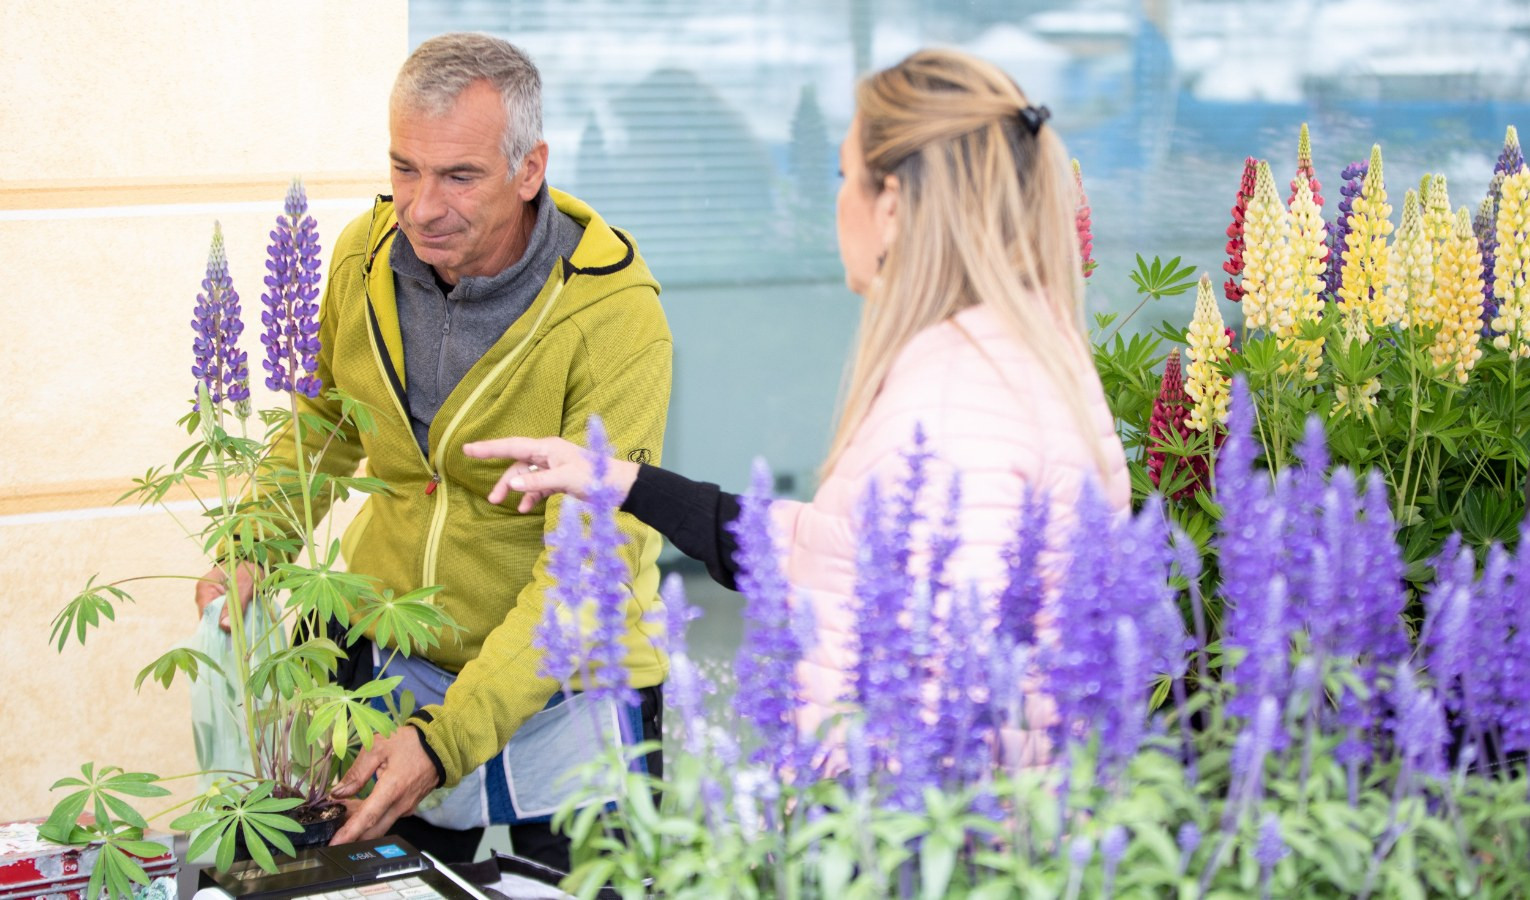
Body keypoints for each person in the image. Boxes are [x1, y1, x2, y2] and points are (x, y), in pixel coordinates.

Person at [465, 50, 1130, 758]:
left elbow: (942, 723)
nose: (834, 201)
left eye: (846, 177)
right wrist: (617, 479)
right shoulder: (1009, 356)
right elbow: (837, 558)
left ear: (894, 207)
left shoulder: (948, 405)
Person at [193, 33, 672, 870]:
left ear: (530, 169)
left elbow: (584, 573)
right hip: (384, 661)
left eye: (458, 175)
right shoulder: (360, 257)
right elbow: (321, 427)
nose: (420, 206)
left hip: (562, 695)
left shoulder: (613, 318)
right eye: (404, 169)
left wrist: (444, 740)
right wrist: (250, 544)